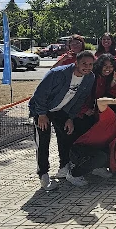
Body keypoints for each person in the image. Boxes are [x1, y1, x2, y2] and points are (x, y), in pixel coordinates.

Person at [28, 51, 95, 190]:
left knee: (67, 135)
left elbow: (80, 99)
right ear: (76, 62)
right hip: (42, 109)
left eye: (90, 64)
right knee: (43, 141)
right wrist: (41, 114)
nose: (87, 67)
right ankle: (43, 174)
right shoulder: (58, 73)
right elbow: (40, 94)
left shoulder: (90, 78)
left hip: (61, 110)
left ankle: (64, 168)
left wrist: (70, 118)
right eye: (84, 63)